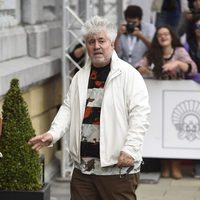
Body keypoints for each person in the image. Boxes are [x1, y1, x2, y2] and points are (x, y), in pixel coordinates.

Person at [28, 16, 150, 200]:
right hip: (83, 170)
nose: (96, 46)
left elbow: (140, 115)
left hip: (117, 168)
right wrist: (53, 134)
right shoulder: (80, 77)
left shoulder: (129, 75)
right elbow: (68, 108)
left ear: (112, 43)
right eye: (91, 41)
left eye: (101, 41)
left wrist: (131, 148)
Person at [135, 25, 197, 179]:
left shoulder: (180, 51)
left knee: (174, 131)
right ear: (156, 38)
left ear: (171, 36)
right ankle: (164, 165)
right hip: (157, 99)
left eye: (166, 34)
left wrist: (177, 64)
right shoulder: (152, 53)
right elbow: (137, 66)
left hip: (176, 99)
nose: (163, 37)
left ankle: (176, 165)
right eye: (160, 35)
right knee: (160, 130)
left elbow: (193, 68)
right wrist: (141, 69)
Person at [185, 14, 200, 179]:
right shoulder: (188, 45)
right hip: (193, 89)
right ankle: (197, 166)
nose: (199, 31)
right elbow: (189, 70)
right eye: (197, 27)